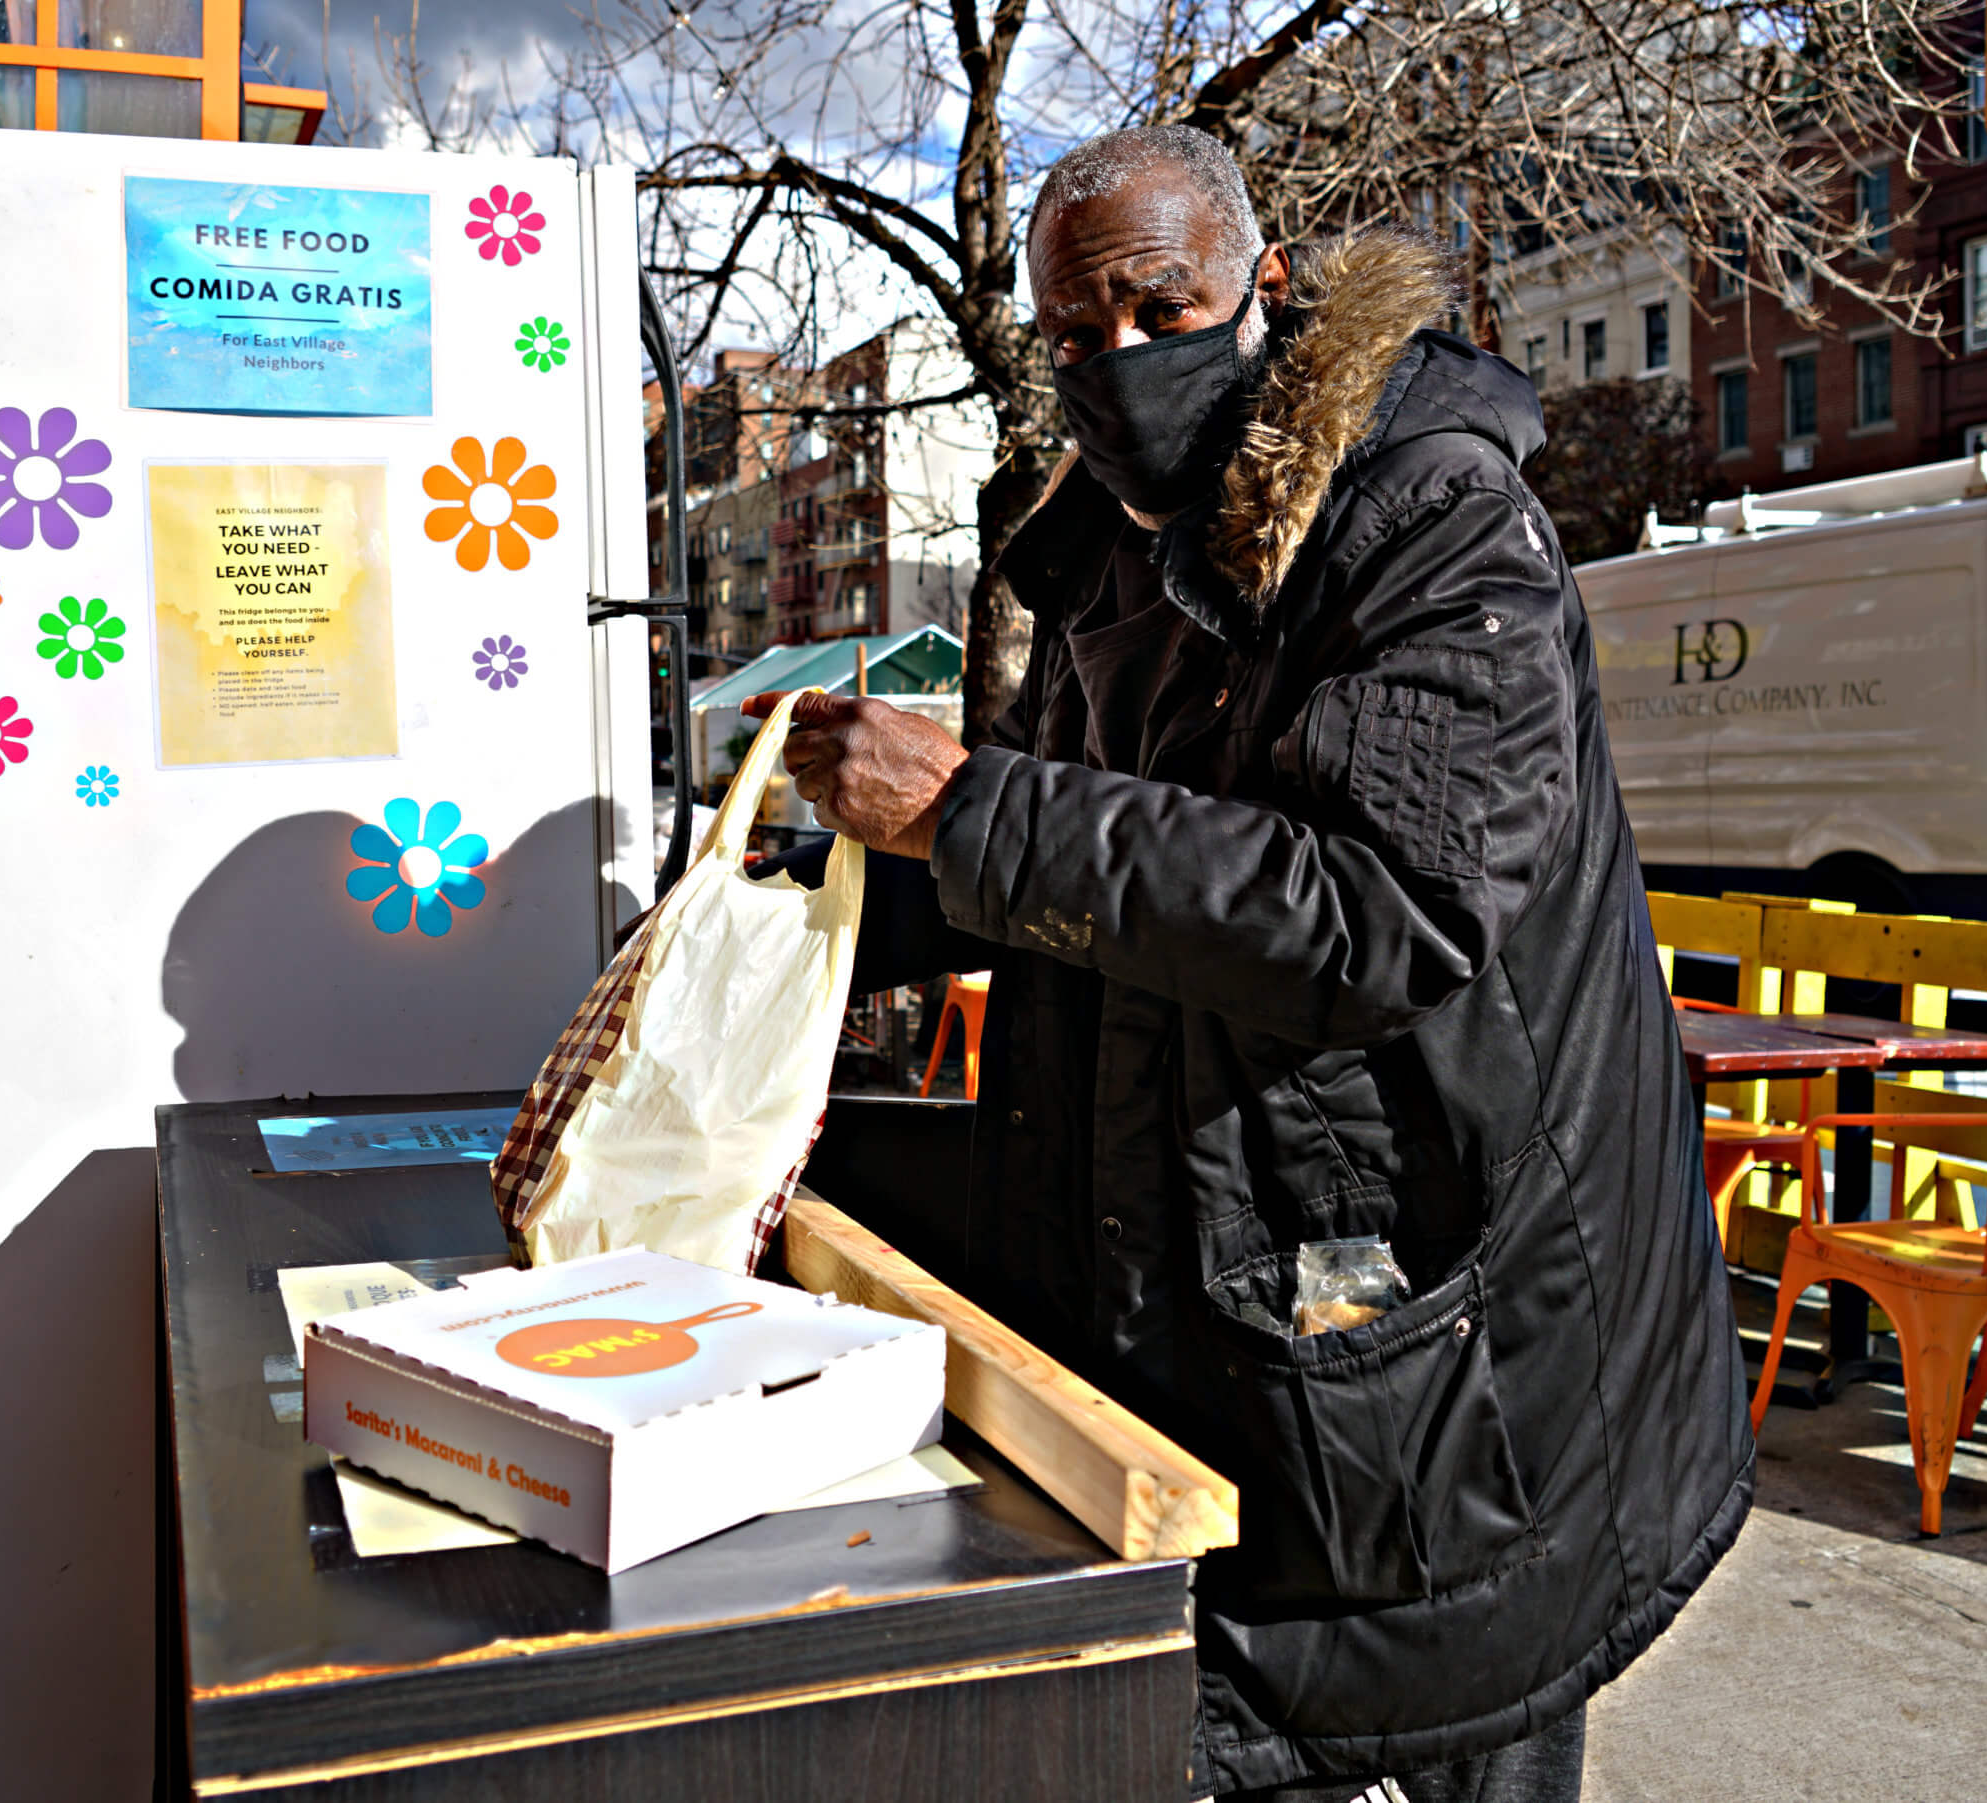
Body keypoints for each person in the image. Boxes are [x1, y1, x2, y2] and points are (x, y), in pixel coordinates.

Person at [744, 125, 1751, 1800]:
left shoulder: (1433, 513)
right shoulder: (1105, 558)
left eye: (1160, 307)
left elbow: (1386, 910)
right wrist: (793, 915)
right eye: (1075, 333)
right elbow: (1087, 876)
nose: (1118, 360)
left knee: (1434, 1721)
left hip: (1447, 1355)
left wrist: (970, 811)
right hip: (1226, 1307)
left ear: (1265, 290)